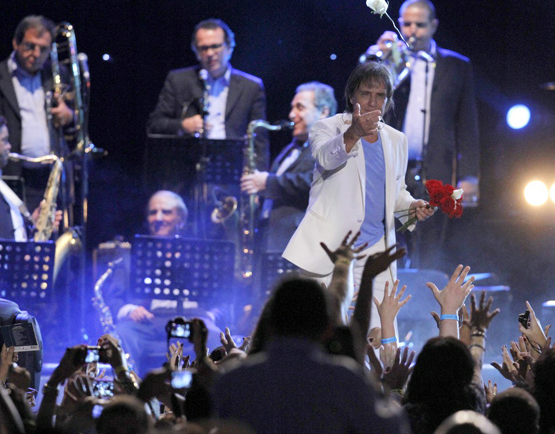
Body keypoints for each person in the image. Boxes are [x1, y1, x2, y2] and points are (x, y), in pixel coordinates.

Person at [282, 61, 434, 329]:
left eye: (380, 96)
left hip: (376, 248)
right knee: (321, 331)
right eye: (366, 93)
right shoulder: (327, 127)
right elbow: (326, 158)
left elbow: (396, 193)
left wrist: (413, 207)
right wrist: (354, 132)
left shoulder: (397, 140)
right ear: (352, 95)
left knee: (377, 333)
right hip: (331, 247)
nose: (373, 101)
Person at [213, 275, 410, 434]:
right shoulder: (345, 380)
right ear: (327, 329)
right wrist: (388, 388)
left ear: (270, 323)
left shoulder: (232, 382)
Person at [363, 0, 479, 269]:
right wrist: (376, 60)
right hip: (394, 167)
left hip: (436, 168)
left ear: (433, 26)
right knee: (391, 239)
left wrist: (470, 175)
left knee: (428, 243)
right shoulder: (391, 63)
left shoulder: (456, 65)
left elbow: (467, 124)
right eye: (407, 24)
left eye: (420, 25)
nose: (413, 31)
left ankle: (422, 305)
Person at [104, 190, 221, 374]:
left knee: (214, 336)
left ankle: (210, 398)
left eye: (166, 212)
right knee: (121, 334)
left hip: (193, 323)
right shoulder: (133, 256)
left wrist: (209, 316)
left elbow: (222, 300)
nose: (158, 218)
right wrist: (130, 310)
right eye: (153, 212)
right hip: (148, 323)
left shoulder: (200, 257)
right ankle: (129, 395)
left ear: (181, 219)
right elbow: (113, 298)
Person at [146, 18, 269, 170]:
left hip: (232, 170)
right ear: (196, 52)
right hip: (187, 170)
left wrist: (257, 179)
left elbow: (260, 140)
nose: (210, 53)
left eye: (215, 46)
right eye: (203, 48)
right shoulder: (178, 81)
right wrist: (183, 125)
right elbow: (155, 124)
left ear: (229, 47)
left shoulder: (251, 87)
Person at [240, 82, 336, 257]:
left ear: (324, 112)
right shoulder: (291, 148)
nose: (292, 115)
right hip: (272, 240)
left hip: (298, 243)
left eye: (300, 108)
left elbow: (317, 181)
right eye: (292, 108)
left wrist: (267, 183)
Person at [0, 15, 75, 212]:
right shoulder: (1, 75)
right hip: (13, 173)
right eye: (30, 46)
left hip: (50, 175)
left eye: (43, 49)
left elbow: (75, 125)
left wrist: (69, 115)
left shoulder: (58, 75)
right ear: (16, 42)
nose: (36, 54)